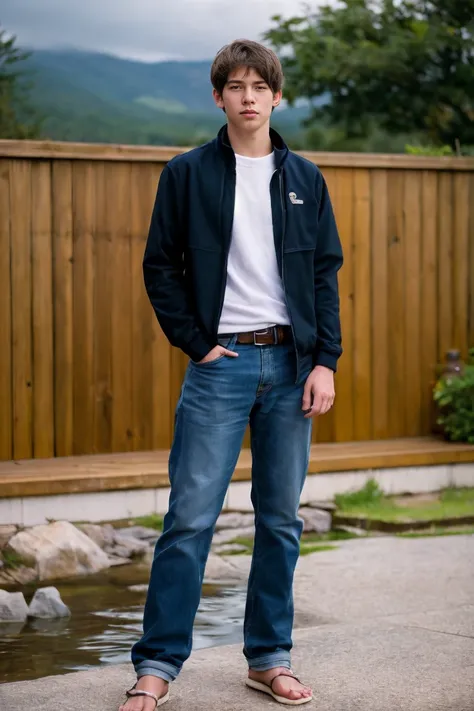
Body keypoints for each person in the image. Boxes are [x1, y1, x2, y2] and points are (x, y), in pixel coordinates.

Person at [120, 38, 343, 710]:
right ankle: (157, 664)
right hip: (222, 366)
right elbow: (160, 265)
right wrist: (197, 343)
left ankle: (268, 657)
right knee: (189, 519)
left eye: (260, 86)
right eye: (236, 85)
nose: (249, 96)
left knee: (280, 519)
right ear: (218, 96)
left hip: (292, 365)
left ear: (277, 97)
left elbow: (323, 273)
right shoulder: (187, 173)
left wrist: (326, 359)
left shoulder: (305, 178)